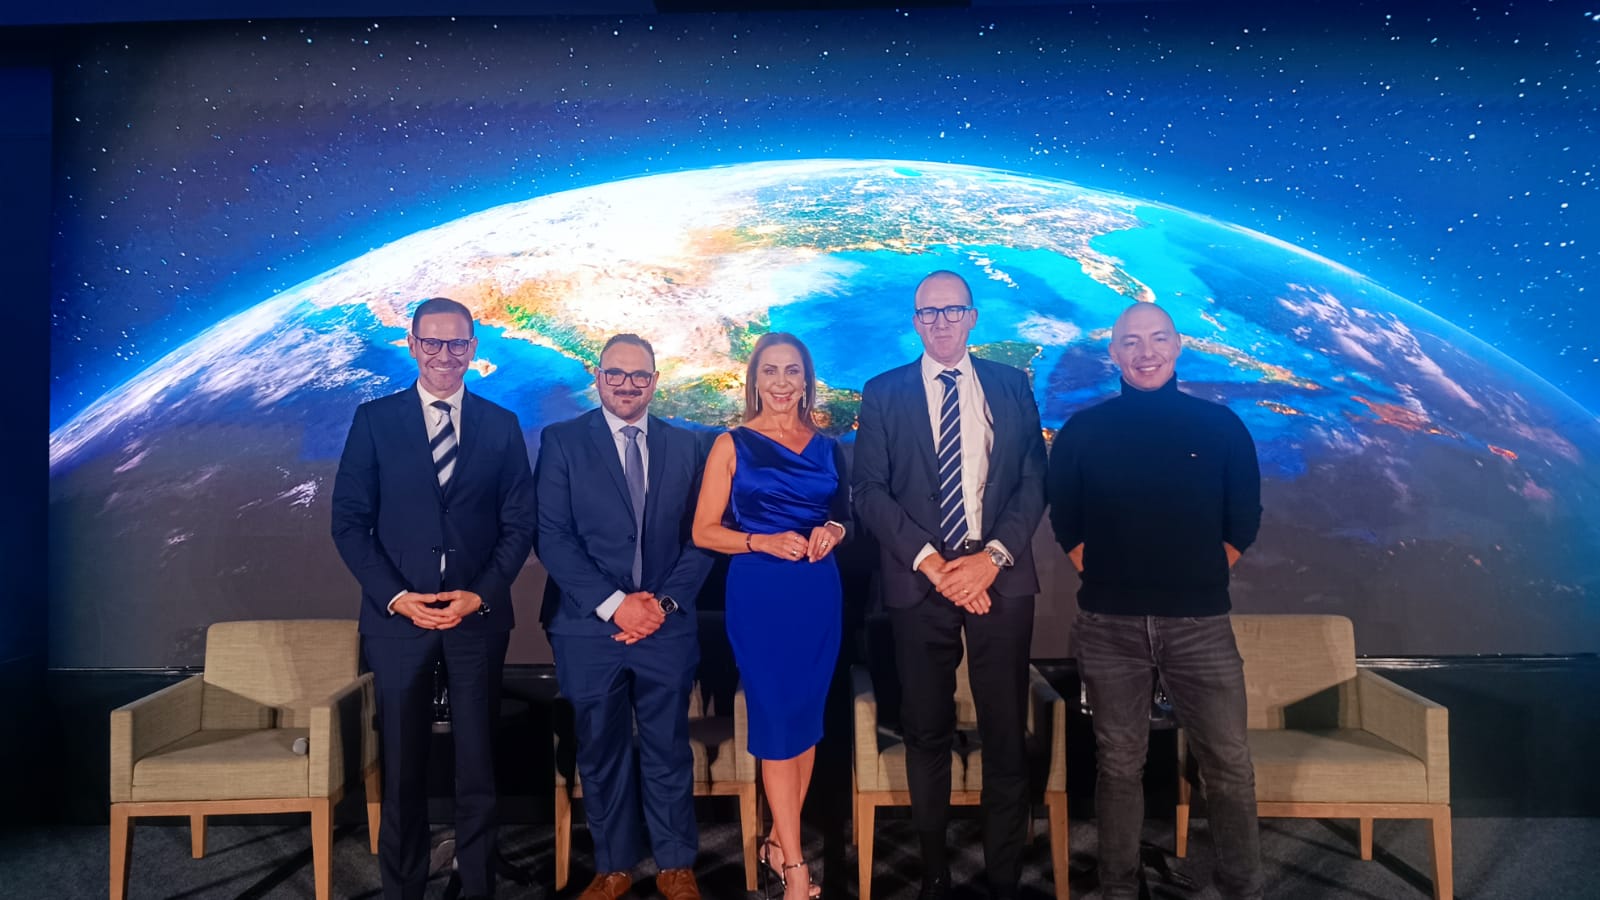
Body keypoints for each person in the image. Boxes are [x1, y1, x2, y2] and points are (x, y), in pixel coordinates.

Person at [1046, 301, 1264, 900]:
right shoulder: (1082, 432)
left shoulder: (1221, 427)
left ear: (1178, 345)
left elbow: (1243, 521)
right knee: (1119, 765)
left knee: (1229, 765)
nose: (1146, 353)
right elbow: (1066, 522)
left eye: (1158, 339)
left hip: (1200, 624)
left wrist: (1191, 577)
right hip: (1108, 626)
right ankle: (1119, 889)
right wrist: (1116, 577)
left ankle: (1241, 889)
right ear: (1113, 353)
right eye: (1132, 342)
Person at [331, 296, 537, 900]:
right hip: (399, 622)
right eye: (433, 342)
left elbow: (519, 524)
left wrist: (482, 594)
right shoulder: (375, 420)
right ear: (413, 345)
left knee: (478, 767)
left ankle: (476, 887)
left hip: (477, 619)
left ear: (472, 348)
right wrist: (397, 597)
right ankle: (404, 889)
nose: (445, 355)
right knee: (402, 769)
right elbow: (349, 523)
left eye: (457, 343)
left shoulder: (501, 425)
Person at [853, 271, 1047, 900]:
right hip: (920, 583)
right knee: (926, 729)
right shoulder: (883, 392)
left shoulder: (1011, 384)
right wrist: (935, 565)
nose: (940, 322)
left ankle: (1003, 881)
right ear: (915, 321)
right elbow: (868, 492)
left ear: (972, 317)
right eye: (928, 313)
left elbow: (1033, 481)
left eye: (952, 310)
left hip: (999, 578)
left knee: (1004, 732)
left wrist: (991, 558)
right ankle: (934, 875)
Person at [535, 334, 715, 900]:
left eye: (639, 375)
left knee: (668, 747)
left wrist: (660, 605)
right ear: (598, 376)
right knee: (600, 750)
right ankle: (612, 866)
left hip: (666, 624)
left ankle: (675, 865)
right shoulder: (562, 441)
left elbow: (702, 538)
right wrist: (617, 605)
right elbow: (552, 536)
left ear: (655, 381)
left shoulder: (687, 446)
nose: (627, 385)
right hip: (588, 628)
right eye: (616, 373)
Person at [691, 332, 849, 900]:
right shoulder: (731, 444)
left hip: (818, 593)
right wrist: (761, 541)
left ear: (806, 380)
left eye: (792, 371)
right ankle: (796, 869)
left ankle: (780, 843)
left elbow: (842, 515)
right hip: (760, 594)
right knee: (778, 722)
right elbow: (704, 531)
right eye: (770, 371)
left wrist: (834, 530)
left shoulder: (828, 447)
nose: (782, 382)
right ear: (755, 380)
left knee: (804, 722)